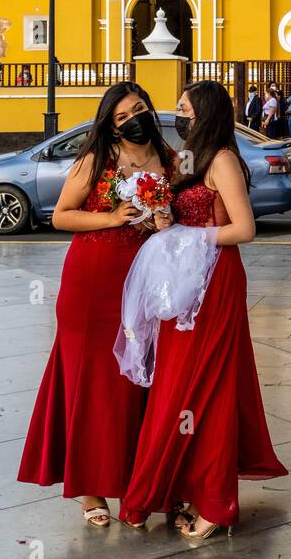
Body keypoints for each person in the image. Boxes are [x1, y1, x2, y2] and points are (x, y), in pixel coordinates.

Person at [120, 81, 287, 538]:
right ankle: (181, 488)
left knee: (207, 385)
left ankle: (214, 501)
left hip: (216, 282)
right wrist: (164, 219)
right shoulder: (191, 160)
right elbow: (188, 215)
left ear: (207, 113)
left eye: (184, 109)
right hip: (185, 282)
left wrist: (190, 236)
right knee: (177, 385)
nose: (177, 116)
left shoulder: (223, 160)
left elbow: (245, 229)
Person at [18, 82, 174, 527]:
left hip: (143, 282)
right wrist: (111, 217)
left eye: (139, 109)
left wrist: (165, 220)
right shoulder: (95, 161)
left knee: (134, 385)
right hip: (91, 283)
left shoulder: (169, 162)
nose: (132, 120)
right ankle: (89, 490)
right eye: (122, 117)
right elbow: (63, 214)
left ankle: (134, 484)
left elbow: (172, 220)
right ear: (110, 123)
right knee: (90, 382)